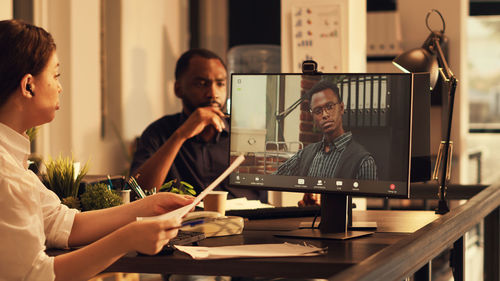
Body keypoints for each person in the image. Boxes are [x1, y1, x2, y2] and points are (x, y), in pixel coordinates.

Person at [0, 19, 194, 281]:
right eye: (56, 75)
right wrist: (126, 239)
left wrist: (146, 207)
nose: (59, 87)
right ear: (28, 86)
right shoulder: (7, 177)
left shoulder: (12, 161)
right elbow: (35, 276)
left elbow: (61, 224)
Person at [130, 48, 263, 201]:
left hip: (247, 222)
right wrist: (180, 136)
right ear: (178, 89)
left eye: (220, 84)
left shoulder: (246, 133)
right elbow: (136, 194)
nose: (213, 93)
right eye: (201, 84)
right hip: (184, 223)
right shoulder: (158, 133)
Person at [275, 80, 377, 205]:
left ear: (341, 108)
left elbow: (366, 202)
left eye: (329, 107)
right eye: (318, 111)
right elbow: (274, 179)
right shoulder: (305, 154)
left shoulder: (363, 161)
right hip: (308, 219)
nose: (324, 115)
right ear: (313, 117)